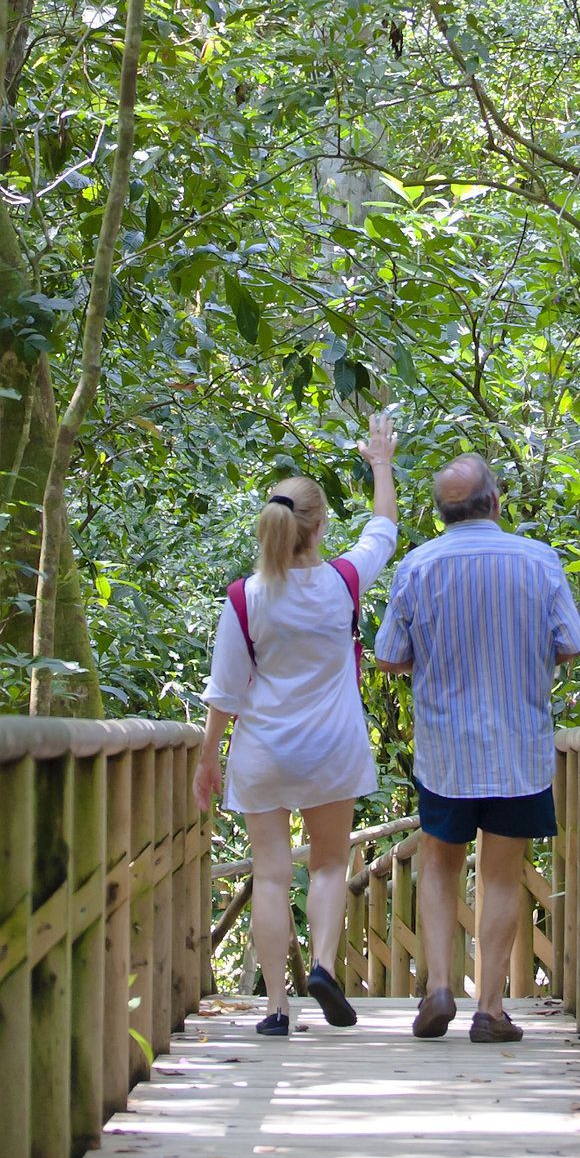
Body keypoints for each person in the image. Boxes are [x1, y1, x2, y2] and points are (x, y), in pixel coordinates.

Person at [369, 451, 580, 1042]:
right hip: (519, 745)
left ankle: (439, 984)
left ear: (441, 514)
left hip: (446, 750)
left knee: (439, 862)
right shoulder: (538, 561)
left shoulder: (418, 566)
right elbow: (569, 644)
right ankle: (490, 1008)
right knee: (504, 871)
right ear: (495, 501)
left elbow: (388, 656)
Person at [197, 411, 400, 1037]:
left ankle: (275, 1008)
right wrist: (381, 462)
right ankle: (320, 965)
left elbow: (226, 692)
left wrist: (208, 757)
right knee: (329, 864)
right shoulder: (343, 580)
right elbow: (384, 530)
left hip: (263, 751)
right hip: (331, 749)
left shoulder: (245, 597)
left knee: (271, 871)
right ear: (319, 527)